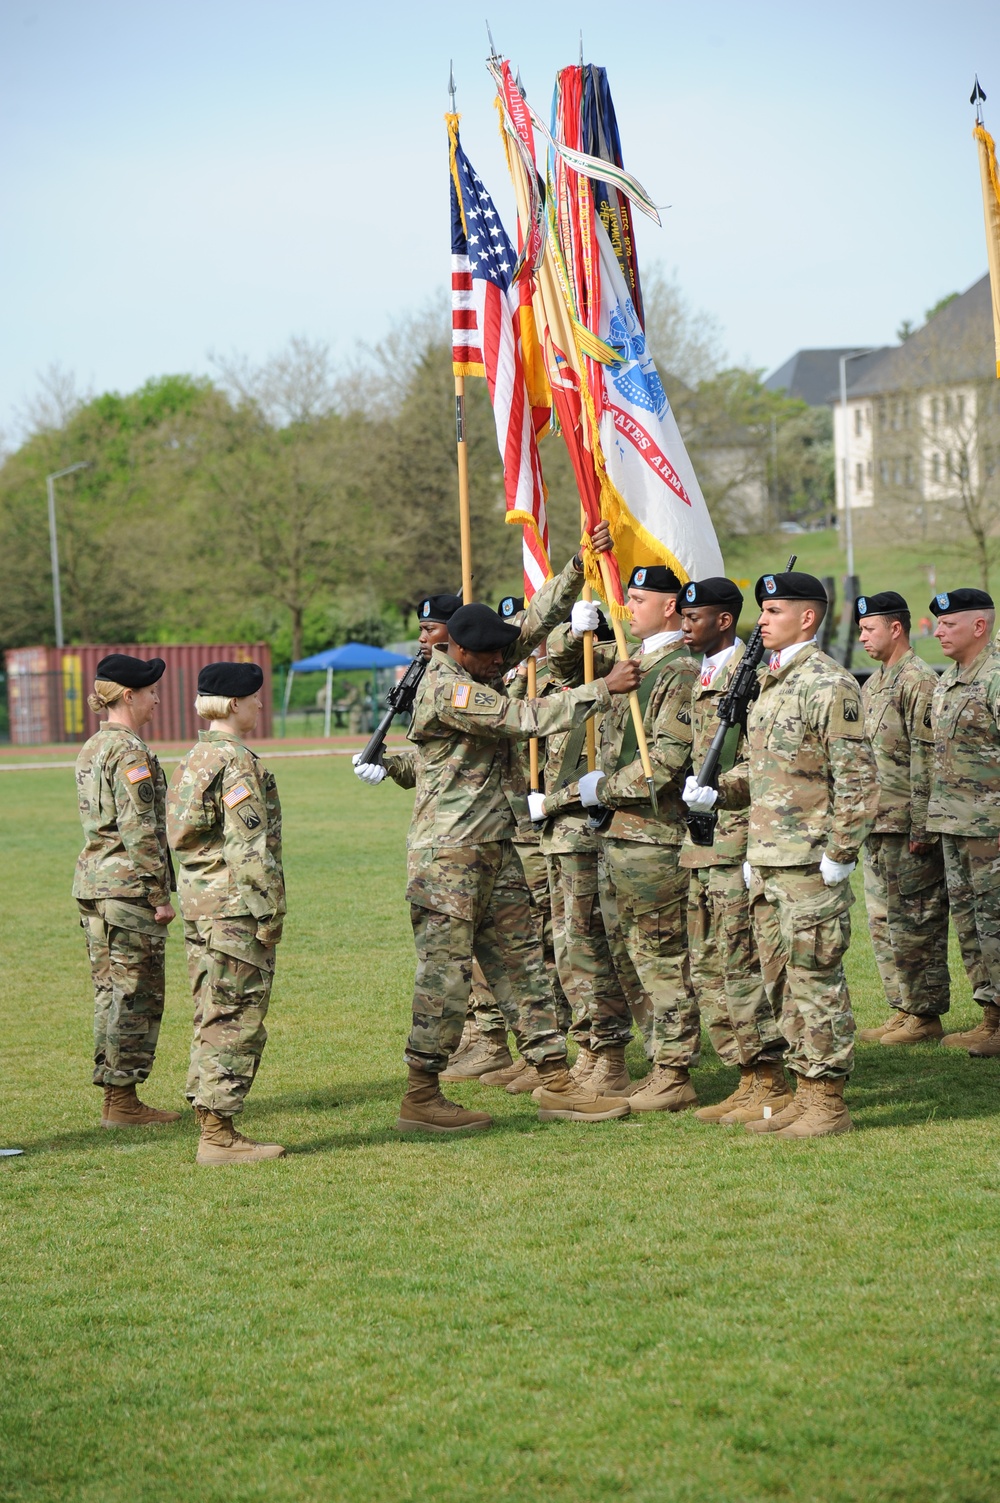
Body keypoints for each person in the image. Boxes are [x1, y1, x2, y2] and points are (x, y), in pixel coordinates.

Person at [356, 523, 641, 1133]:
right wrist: (600, 689)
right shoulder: (447, 690)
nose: (501, 663)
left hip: (493, 847)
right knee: (445, 977)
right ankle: (421, 1094)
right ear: (462, 651)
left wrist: (576, 566)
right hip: (449, 857)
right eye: (490, 657)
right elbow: (522, 717)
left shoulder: (473, 662)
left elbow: (532, 626)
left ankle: (558, 1082)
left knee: (523, 968)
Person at [685, 570, 878, 1138]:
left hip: (809, 862)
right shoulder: (772, 684)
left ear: (807, 618)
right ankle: (801, 1088)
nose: (761, 620)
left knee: (816, 979)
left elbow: (858, 780)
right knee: (780, 982)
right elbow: (768, 770)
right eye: (762, 611)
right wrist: (719, 789)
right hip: (768, 857)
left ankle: (828, 1100)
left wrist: (840, 853)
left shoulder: (828, 684)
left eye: (772, 612)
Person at [543, 564, 701, 1114]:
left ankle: (674, 1068)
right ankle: (656, 1062)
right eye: (625, 597)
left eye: (638, 599)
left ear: (671, 607)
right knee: (629, 954)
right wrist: (572, 626)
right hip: (620, 835)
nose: (627, 607)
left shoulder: (678, 670)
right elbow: (565, 662)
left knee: (660, 956)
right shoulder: (641, 662)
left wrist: (597, 789)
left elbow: (666, 763)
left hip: (652, 836)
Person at [355, 590, 516, 1083]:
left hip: (481, 831)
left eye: (431, 631)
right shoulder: (437, 679)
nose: (423, 639)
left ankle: (505, 1046)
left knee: (499, 954)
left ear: (458, 637)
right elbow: (439, 767)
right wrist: (391, 766)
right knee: (453, 959)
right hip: (456, 833)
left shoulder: (470, 677)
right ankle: (470, 1043)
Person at [678, 578, 789, 1123]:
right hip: (701, 841)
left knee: (741, 960)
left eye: (693, 617)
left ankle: (769, 1073)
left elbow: (762, 758)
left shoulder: (752, 678)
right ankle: (744, 1071)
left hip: (735, 836)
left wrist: (720, 789)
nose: (683, 624)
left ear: (724, 620)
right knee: (708, 964)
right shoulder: (698, 672)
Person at [167, 662, 286, 1164]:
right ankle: (217, 1136)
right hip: (235, 908)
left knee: (211, 1011)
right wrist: (271, 911)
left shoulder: (195, 757)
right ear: (235, 704)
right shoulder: (236, 764)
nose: (261, 705)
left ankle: (212, 1121)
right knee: (235, 1018)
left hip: (201, 903)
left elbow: (179, 835)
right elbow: (249, 848)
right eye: (255, 698)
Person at [530, 605, 648, 1097]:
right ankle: (591, 1050)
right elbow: (551, 662)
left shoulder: (610, 673)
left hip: (584, 828)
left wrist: (553, 801)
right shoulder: (565, 684)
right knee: (569, 948)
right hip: (558, 832)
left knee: (590, 946)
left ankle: (610, 1054)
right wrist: (565, 632)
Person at [73, 654, 180, 1128]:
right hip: (127, 889)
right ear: (130, 695)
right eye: (152, 692)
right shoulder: (131, 752)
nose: (157, 700)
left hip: (95, 882)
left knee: (109, 991)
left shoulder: (94, 745)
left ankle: (118, 1095)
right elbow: (139, 829)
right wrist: (159, 895)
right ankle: (121, 1101)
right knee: (134, 993)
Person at [853, 592, 950, 1044]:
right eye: (860, 629)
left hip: (909, 827)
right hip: (878, 824)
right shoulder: (874, 684)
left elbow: (926, 758)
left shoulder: (918, 681)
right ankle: (901, 1007)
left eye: (869, 628)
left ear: (896, 629)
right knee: (883, 921)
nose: (862, 637)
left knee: (916, 920)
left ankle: (924, 1014)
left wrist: (923, 826)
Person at [925, 588, 1000, 1055]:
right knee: (972, 926)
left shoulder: (995, 677)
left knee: (997, 924)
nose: (937, 631)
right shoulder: (949, 679)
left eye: (948, 624)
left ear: (980, 626)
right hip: (954, 824)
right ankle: (991, 1016)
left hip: (991, 829)